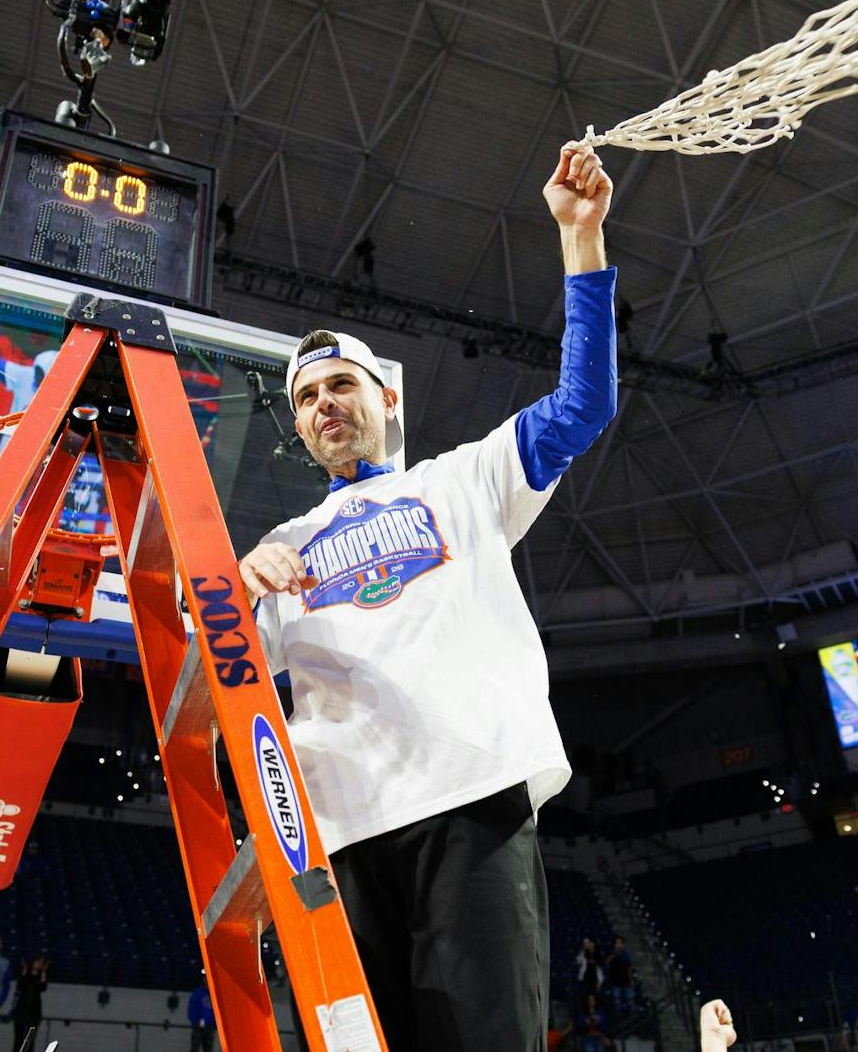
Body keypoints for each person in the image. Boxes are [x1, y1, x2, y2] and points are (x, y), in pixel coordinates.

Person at [243, 140, 616, 1052]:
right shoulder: (276, 550)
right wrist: (231, 591)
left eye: (341, 384)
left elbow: (583, 407)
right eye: (307, 398)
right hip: (336, 836)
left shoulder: (465, 478)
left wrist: (581, 238)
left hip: (469, 798)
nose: (325, 403)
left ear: (388, 395)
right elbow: (230, 703)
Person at [8, 955, 48, 1052]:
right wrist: (25, 970)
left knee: (30, 1040)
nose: (39, 964)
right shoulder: (25, 976)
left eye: (41, 963)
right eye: (38, 962)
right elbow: (19, 986)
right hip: (21, 1010)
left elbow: (43, 987)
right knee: (18, 1040)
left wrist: (43, 972)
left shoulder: (39, 978)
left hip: (34, 1013)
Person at [606, 936, 635, 1017]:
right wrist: (614, 954)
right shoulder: (610, 953)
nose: (619, 945)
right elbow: (607, 963)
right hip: (615, 982)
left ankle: (632, 1018)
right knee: (617, 1003)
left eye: (620, 943)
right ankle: (619, 1019)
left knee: (630, 1002)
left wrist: (631, 980)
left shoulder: (626, 954)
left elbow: (629, 969)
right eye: (617, 943)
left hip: (626, 981)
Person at [576, 937, 605, 1008]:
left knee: (596, 998)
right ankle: (586, 1015)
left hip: (595, 981)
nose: (590, 946)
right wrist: (584, 950)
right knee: (585, 998)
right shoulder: (583, 954)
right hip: (585, 980)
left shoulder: (597, 955)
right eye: (588, 944)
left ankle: (596, 1015)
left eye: (591, 944)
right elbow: (578, 961)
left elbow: (600, 970)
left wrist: (600, 982)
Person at [188, 980, 217, 1052]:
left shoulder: (214, 994)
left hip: (210, 1026)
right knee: (195, 1048)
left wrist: (214, 1023)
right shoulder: (197, 993)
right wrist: (196, 1022)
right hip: (198, 1026)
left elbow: (216, 1011)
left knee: (208, 1048)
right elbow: (192, 1009)